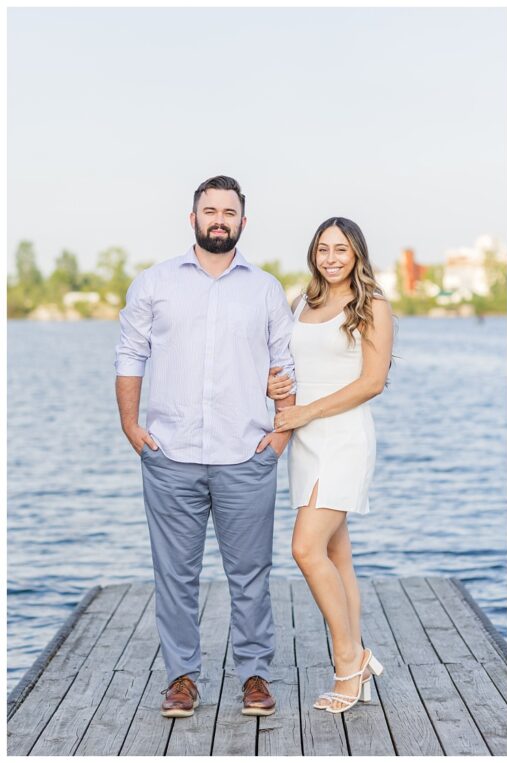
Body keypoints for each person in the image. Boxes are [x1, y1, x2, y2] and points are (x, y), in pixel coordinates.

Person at [115, 175, 296, 718]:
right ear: (191, 217)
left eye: (230, 211)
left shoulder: (264, 289)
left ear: (244, 221)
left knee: (251, 575)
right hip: (170, 455)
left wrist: (281, 435)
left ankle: (256, 675)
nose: (220, 219)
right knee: (174, 575)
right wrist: (131, 427)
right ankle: (182, 678)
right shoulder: (154, 283)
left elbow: (285, 365)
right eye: (210, 210)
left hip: (246, 455)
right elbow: (129, 355)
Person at [266, 217, 392, 713]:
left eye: (341, 248)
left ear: (357, 253)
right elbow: (290, 367)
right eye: (323, 248)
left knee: (305, 547)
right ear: (313, 254)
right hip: (305, 439)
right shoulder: (304, 302)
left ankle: (349, 662)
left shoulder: (372, 304)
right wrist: (277, 389)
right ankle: (355, 656)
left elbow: (372, 382)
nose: (331, 257)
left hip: (343, 437)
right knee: (337, 555)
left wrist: (306, 411)